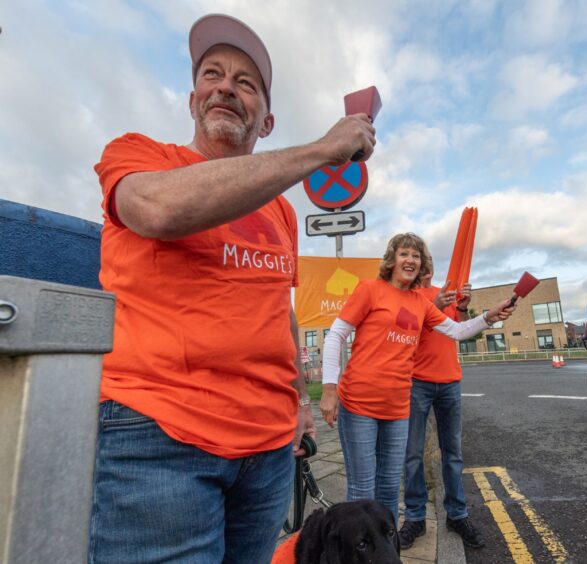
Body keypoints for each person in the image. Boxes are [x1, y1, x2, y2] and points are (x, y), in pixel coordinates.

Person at [89, 13, 376, 563]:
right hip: (160, 437)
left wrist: (298, 402)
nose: (225, 85)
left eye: (245, 82)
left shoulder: (284, 212)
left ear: (265, 122)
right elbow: (157, 209)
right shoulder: (140, 156)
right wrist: (323, 150)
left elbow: (280, 313)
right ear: (193, 99)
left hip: (267, 449)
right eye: (212, 74)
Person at [319, 233, 515, 523]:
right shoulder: (370, 290)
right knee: (362, 491)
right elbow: (336, 335)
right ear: (392, 259)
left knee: (388, 490)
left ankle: (386, 551)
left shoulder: (421, 303)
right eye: (404, 254)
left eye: (416, 256)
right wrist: (329, 389)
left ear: (422, 264)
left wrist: (489, 316)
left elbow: (457, 331)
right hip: (359, 404)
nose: (410, 260)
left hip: (398, 408)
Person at [399, 270, 484, 550]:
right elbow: (405, 330)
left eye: (429, 261)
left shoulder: (445, 291)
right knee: (412, 454)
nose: (425, 267)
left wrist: (460, 306)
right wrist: (434, 303)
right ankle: (415, 517)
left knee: (453, 453)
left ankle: (457, 515)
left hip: (449, 381)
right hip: (417, 382)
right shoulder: (407, 296)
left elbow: (456, 330)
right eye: (421, 261)